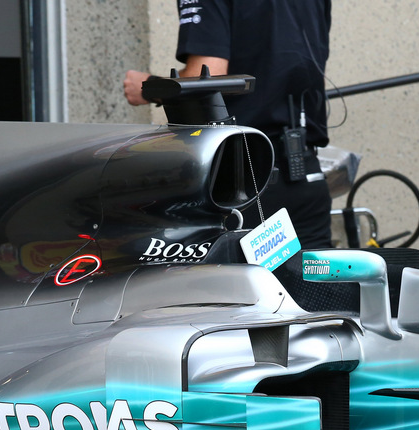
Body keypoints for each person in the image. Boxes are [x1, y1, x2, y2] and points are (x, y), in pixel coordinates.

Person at [123, 1, 333, 248]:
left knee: (223, 282)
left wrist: (149, 87)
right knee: (310, 282)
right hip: (306, 172)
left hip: (243, 179)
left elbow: (210, 76)